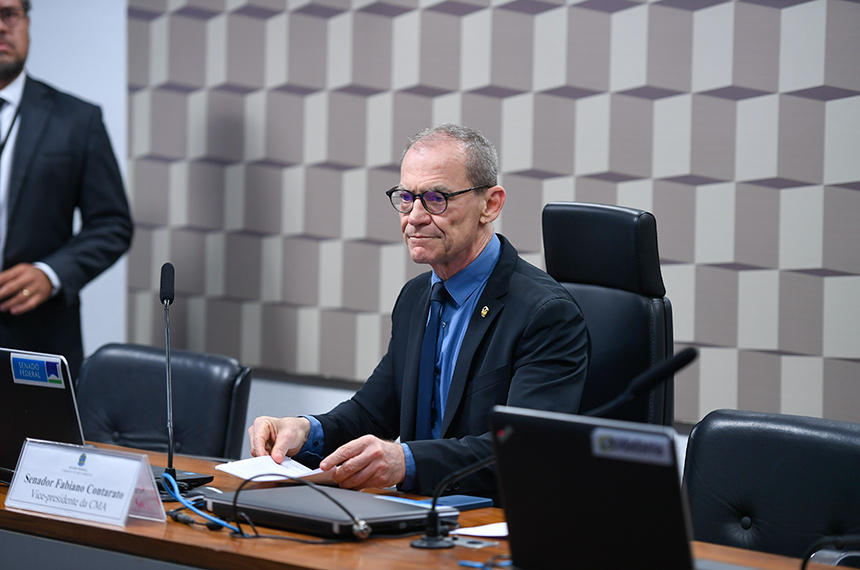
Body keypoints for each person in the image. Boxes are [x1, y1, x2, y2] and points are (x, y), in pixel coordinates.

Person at [249, 123, 588, 500]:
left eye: (436, 198)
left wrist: (405, 461)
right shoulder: (415, 298)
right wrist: (303, 430)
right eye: (406, 197)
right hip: (417, 518)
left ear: (490, 205)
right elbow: (372, 413)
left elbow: (526, 451)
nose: (415, 216)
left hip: (496, 525)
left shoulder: (545, 313)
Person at [0, 0, 133, 379]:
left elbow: (112, 224)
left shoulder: (77, 120)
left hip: (36, 339)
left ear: (26, 21)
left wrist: (51, 272)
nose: (1, 27)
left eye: (9, 14)